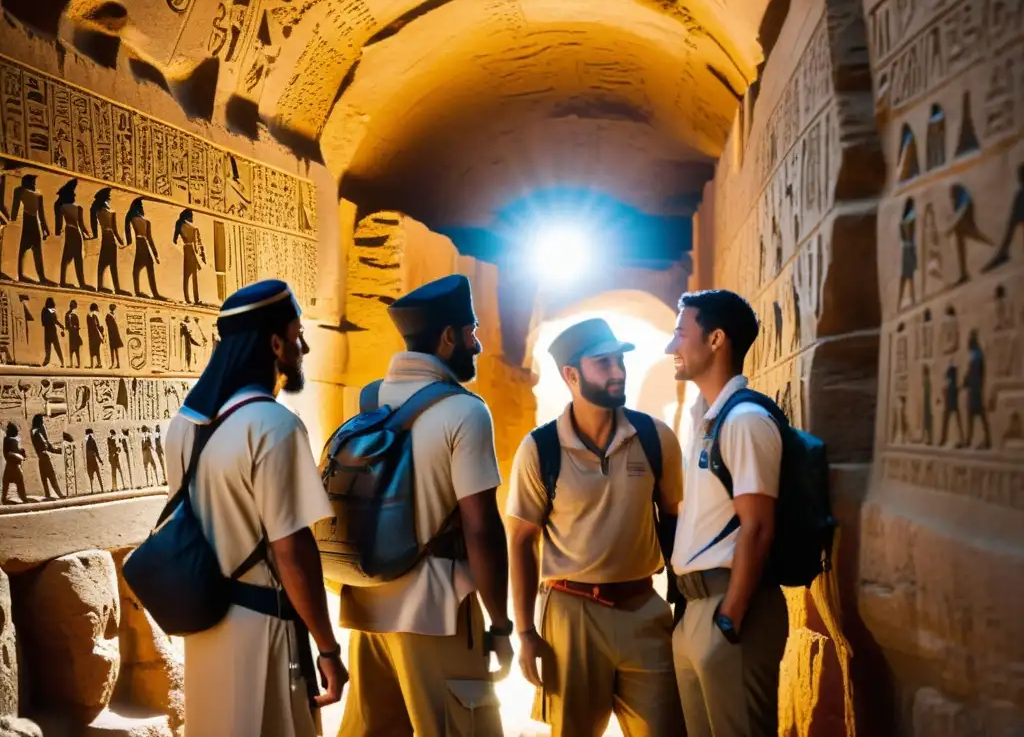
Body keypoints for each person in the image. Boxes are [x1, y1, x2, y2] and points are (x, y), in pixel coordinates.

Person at [166, 279, 345, 736]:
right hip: (264, 628)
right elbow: (292, 552)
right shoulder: (274, 426)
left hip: (206, 625)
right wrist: (327, 648)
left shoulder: (184, 427)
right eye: (297, 333)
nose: (302, 346)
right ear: (274, 342)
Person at [338, 274, 512, 737]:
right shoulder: (464, 411)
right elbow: (481, 529)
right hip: (435, 612)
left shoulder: (370, 399)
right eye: (471, 332)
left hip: (369, 607)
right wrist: (500, 622)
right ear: (448, 336)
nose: (476, 344)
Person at [506, 318, 684, 737]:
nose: (618, 371)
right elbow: (520, 541)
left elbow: (674, 519)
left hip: (644, 609)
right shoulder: (540, 449)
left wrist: (687, 605)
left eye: (619, 360)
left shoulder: (655, 438)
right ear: (571, 375)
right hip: (570, 617)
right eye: (603, 363)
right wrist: (526, 632)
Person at [667, 289, 788, 737]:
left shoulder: (745, 421)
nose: (671, 346)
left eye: (680, 333)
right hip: (697, 611)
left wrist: (729, 620)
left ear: (716, 339)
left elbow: (757, 528)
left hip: (731, 610)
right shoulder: (706, 420)